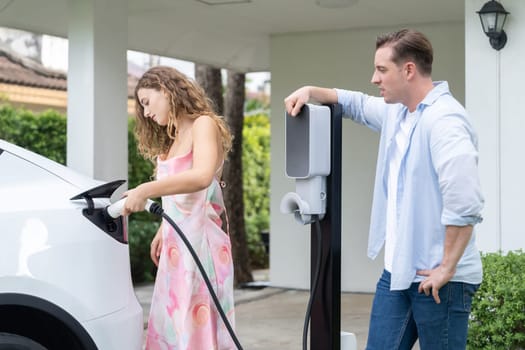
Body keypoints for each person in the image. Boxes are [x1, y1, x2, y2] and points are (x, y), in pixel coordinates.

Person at [284, 29, 484, 349]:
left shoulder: (446, 121)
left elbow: (465, 203)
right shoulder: (398, 112)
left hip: (439, 283)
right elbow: (357, 103)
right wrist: (310, 90)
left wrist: (446, 268)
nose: (374, 79)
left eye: (381, 70)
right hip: (396, 273)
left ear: (408, 70)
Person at [122, 66, 236, 349]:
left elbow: (201, 177)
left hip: (202, 245)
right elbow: (180, 199)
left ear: (166, 89)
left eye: (147, 102)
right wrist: (164, 227)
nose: (146, 113)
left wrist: (146, 189)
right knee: (173, 326)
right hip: (178, 247)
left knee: (196, 328)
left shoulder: (203, 125)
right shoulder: (172, 142)